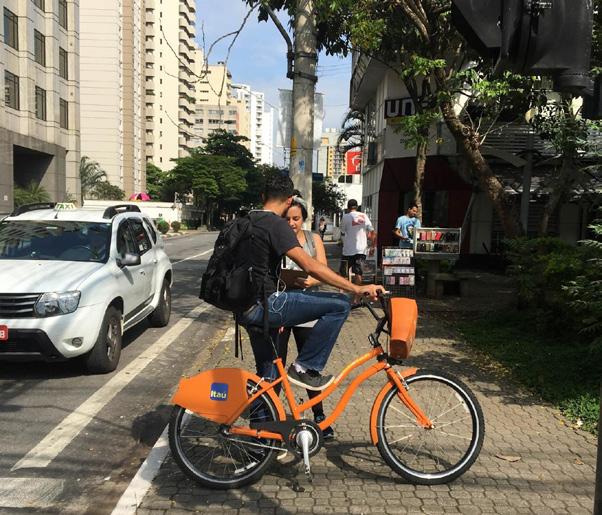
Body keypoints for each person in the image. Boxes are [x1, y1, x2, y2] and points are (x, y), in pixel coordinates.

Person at [238, 175, 384, 391]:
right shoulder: (275, 225)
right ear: (289, 200)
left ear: (262, 196)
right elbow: (311, 266)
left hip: (243, 308)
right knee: (340, 304)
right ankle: (304, 367)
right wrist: (356, 288)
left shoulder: (245, 221)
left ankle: (261, 424)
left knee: (267, 377)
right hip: (266, 306)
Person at [279, 196, 334, 438]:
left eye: (296, 218)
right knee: (275, 366)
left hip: (308, 308)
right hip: (281, 308)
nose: (291, 223)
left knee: (309, 368)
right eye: (287, 218)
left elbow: (323, 268)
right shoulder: (276, 239)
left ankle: (320, 417)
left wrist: (312, 279)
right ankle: (268, 416)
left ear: (304, 218)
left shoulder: (313, 239)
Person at [339, 199, 375, 286]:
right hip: (361, 250)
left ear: (348, 207)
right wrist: (373, 246)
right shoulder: (364, 216)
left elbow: (342, 231)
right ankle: (357, 297)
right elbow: (373, 231)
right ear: (357, 207)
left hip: (348, 250)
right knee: (358, 273)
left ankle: (343, 293)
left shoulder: (345, 217)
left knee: (344, 273)